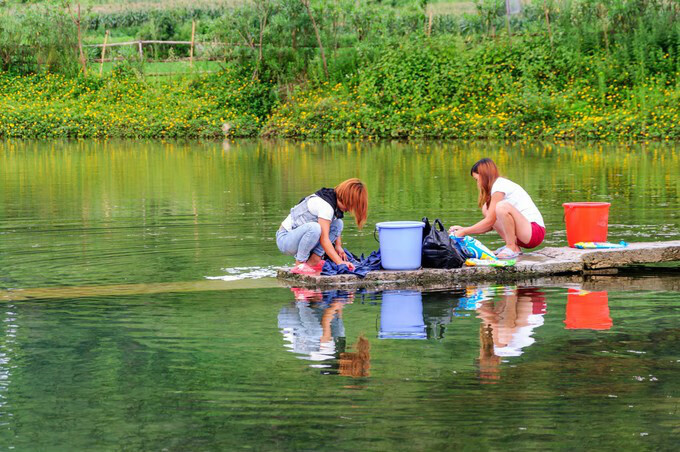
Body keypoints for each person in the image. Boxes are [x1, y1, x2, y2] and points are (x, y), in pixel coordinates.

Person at [449, 158, 545, 259]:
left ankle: (511, 247)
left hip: (534, 232)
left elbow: (490, 221)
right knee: (486, 208)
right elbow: (491, 224)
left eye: (477, 180)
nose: (477, 184)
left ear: (484, 176)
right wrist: (464, 229)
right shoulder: (495, 189)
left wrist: (464, 232)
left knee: (501, 207)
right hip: (522, 235)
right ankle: (514, 247)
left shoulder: (500, 186)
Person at [277, 178, 368, 274]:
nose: (350, 210)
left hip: (302, 238)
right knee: (314, 228)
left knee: (338, 224)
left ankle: (313, 262)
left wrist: (338, 246)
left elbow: (334, 223)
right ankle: (299, 264)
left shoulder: (333, 199)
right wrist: (340, 263)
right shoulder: (326, 207)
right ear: (347, 199)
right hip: (285, 239)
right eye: (351, 206)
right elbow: (324, 240)